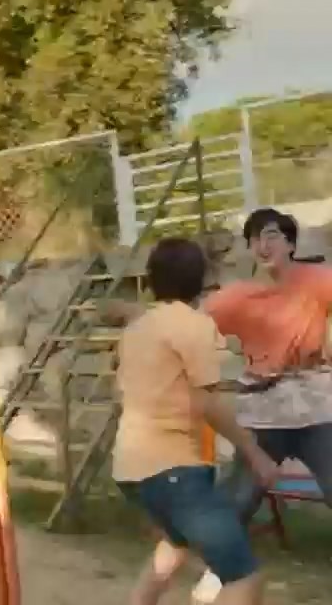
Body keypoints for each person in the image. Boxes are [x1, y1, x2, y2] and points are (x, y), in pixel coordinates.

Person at [113, 237, 279, 605]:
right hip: (172, 469)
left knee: (174, 547)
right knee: (244, 578)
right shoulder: (194, 326)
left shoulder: (137, 329)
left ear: (152, 279)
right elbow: (209, 404)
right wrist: (256, 454)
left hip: (130, 468)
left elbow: (130, 391)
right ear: (202, 280)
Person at [189, 209, 332, 601]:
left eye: (271, 235)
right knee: (239, 498)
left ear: (290, 243)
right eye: (254, 239)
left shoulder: (318, 280)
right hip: (265, 410)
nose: (262, 245)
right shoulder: (237, 297)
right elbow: (188, 326)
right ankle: (218, 573)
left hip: (315, 406)